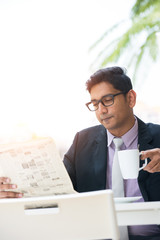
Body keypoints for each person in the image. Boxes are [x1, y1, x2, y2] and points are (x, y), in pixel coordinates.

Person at [63, 66, 160, 240]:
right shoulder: (82, 142)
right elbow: (58, 185)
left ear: (130, 98)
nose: (101, 110)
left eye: (107, 100)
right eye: (94, 104)